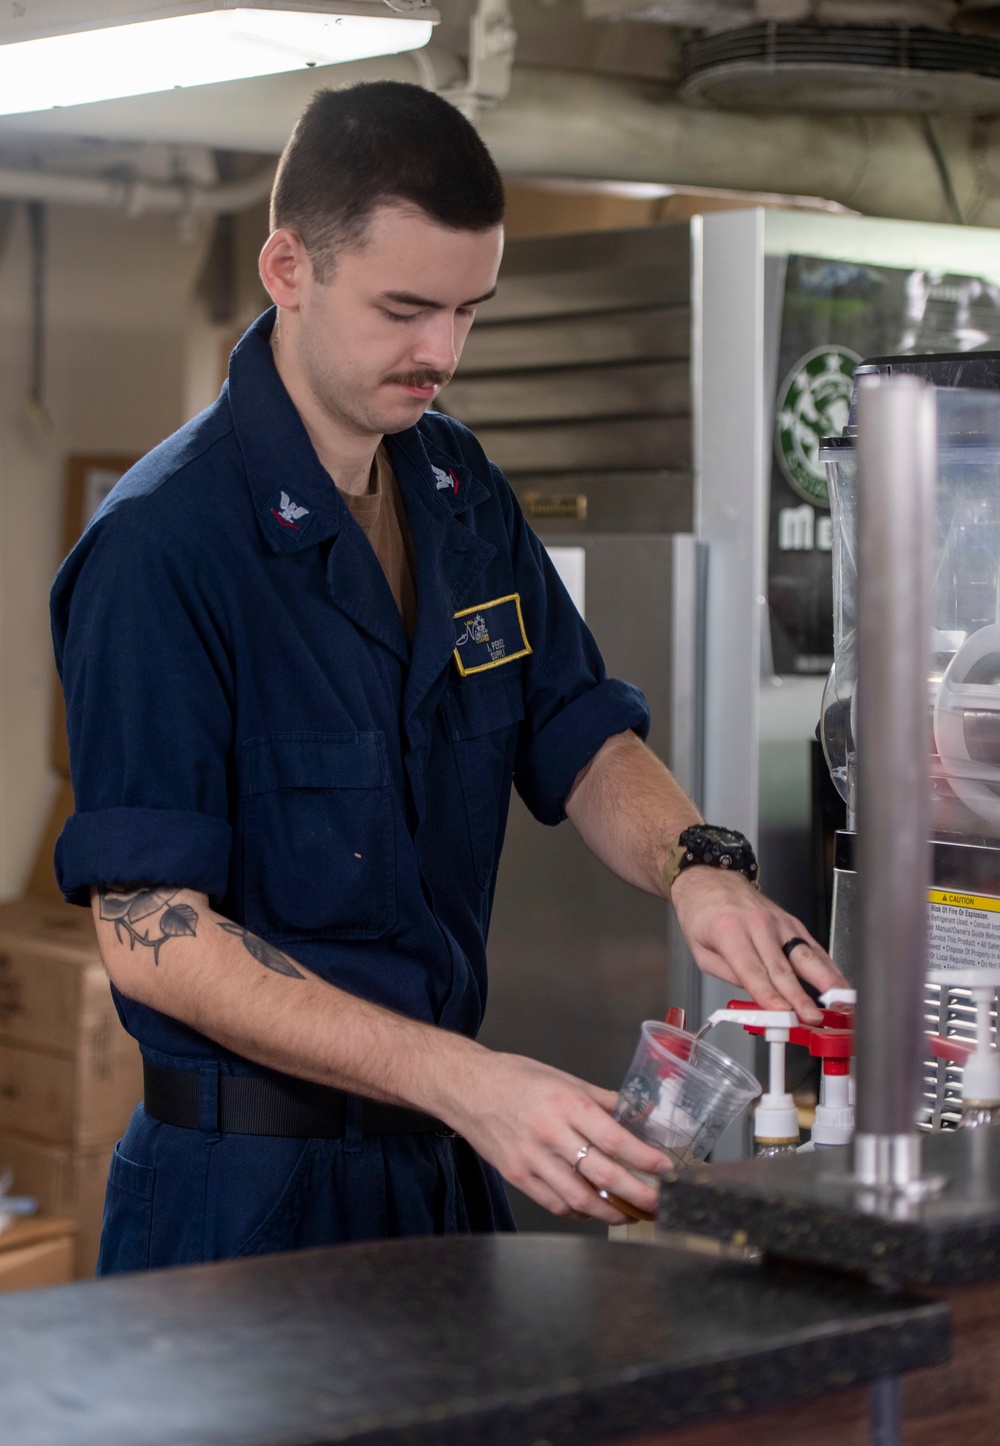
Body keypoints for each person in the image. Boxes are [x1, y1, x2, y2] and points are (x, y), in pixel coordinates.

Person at [51, 81, 844, 1275]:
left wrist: (698, 868)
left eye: (469, 310)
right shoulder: (163, 547)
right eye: (405, 309)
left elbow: (577, 730)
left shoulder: (455, 488)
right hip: (244, 1199)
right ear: (287, 268)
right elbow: (154, 935)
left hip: (436, 1162)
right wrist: (470, 1080)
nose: (443, 354)